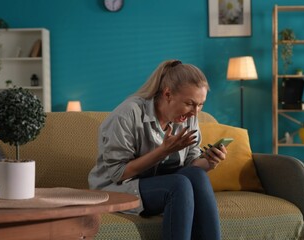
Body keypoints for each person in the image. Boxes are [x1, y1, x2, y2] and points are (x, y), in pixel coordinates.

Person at [88, 59, 227, 240]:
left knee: (197, 175)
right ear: (168, 94)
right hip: (116, 188)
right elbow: (118, 173)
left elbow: (190, 164)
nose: (195, 112)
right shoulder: (127, 115)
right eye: (190, 103)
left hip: (158, 184)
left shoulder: (188, 117)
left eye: (200, 104)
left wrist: (209, 161)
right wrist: (163, 151)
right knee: (178, 185)